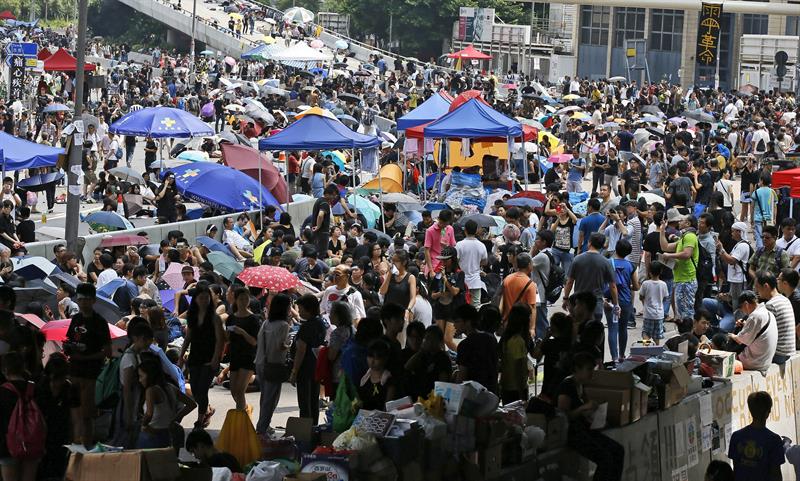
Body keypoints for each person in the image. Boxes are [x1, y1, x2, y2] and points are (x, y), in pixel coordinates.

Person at [556, 352, 624, 481]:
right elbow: (563, 416)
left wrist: (595, 415)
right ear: (577, 369)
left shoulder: (580, 386)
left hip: (584, 429)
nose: (591, 373)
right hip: (572, 433)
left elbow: (583, 411)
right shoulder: (567, 386)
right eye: (588, 370)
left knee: (618, 451)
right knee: (605, 459)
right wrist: (584, 408)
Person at [66, 283, 111, 448]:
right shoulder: (76, 319)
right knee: (72, 412)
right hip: (73, 370)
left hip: (91, 373)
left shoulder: (100, 322)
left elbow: (107, 351)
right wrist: (69, 348)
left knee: (87, 413)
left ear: (93, 300)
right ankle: (73, 444)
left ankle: (87, 446)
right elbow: (70, 339)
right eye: (80, 299)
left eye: (86, 299)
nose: (83, 302)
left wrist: (87, 357)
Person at [179, 283, 224, 430]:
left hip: (209, 358)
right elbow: (188, 337)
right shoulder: (192, 315)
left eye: (206, 298)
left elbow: (220, 340)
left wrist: (215, 359)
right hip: (195, 357)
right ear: (196, 299)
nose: (204, 300)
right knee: (195, 390)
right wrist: (181, 355)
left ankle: (200, 419)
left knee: (202, 390)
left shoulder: (215, 318)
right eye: (201, 297)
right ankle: (207, 410)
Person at [255, 293, 291, 437]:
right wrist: (289, 345)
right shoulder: (284, 325)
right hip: (274, 365)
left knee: (265, 397)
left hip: (260, 362)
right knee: (271, 399)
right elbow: (280, 347)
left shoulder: (266, 323)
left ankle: (264, 425)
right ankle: (262, 428)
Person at [0, 352, 41, 481]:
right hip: (32, 442)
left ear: (5, 369)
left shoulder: (2, 392)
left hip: (7, 446)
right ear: (23, 367)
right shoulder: (36, 389)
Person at [562, 233, 619, 323]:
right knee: (593, 333)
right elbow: (612, 286)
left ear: (589, 243)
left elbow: (569, 281)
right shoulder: (605, 262)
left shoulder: (577, 259)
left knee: (579, 331)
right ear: (602, 246)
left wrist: (565, 298)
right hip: (596, 303)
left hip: (579, 303)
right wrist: (616, 304)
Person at [728, 391, 784, 481]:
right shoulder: (774, 440)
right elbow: (776, 474)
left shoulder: (736, 437)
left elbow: (736, 468)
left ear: (750, 411)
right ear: (767, 412)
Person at [290, 294, 326, 425]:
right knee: (313, 401)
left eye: (301, 309)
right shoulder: (320, 323)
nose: (299, 312)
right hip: (316, 367)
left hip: (305, 368)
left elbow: (301, 350)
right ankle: (313, 428)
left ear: (309, 309)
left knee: (305, 403)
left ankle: (305, 432)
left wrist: (294, 371)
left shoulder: (307, 327)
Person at [659, 212, 699, 320]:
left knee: (686, 311)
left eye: (681, 220)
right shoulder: (683, 238)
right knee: (681, 310)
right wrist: (662, 230)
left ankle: (688, 334)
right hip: (680, 279)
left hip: (687, 280)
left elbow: (687, 254)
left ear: (688, 223)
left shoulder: (690, 236)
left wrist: (669, 256)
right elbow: (665, 247)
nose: (679, 222)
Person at [226, 287, 259, 413]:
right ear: (236, 300)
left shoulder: (254, 319)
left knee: (240, 390)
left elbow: (254, 341)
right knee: (234, 390)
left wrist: (242, 332)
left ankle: (241, 417)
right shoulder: (231, 318)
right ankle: (245, 409)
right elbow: (227, 339)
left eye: (246, 298)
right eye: (241, 299)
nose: (244, 301)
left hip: (248, 356)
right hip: (234, 355)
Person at [727, 290, 777, 374]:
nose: (742, 311)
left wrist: (731, 335)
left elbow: (740, 340)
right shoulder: (767, 313)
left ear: (746, 304)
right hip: (766, 361)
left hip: (755, 363)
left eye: (741, 307)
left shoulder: (755, 316)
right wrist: (745, 325)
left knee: (725, 343)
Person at [605, 239, 639, 359]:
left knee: (612, 328)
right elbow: (636, 286)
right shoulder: (631, 266)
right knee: (623, 328)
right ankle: (622, 355)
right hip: (625, 300)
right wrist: (627, 285)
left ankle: (614, 357)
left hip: (609, 300)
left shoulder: (608, 263)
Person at [453, 304, 498, 394]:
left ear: (468, 322)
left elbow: (462, 376)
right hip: (491, 392)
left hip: (473, 395)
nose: (454, 325)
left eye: (457, 321)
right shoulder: (491, 338)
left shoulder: (464, 345)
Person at [754, 271, 796, 365]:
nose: (756, 290)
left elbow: (760, 333)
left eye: (757, 286)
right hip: (788, 352)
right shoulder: (784, 299)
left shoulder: (771, 305)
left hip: (778, 354)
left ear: (765, 286)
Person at [404, 325, 452, 401]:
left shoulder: (442, 358)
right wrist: (421, 351)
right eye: (426, 338)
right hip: (419, 398)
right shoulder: (424, 354)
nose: (427, 341)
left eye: (431, 338)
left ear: (438, 341)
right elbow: (407, 367)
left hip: (433, 400)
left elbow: (443, 383)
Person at [500, 304, 532, 404]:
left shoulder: (506, 337)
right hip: (516, 388)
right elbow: (518, 367)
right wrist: (521, 391)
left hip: (506, 385)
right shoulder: (517, 341)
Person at [501, 252, 538, 335]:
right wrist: (532, 328)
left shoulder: (507, 279)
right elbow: (532, 308)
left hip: (507, 322)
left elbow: (502, 301)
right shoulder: (530, 284)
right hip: (522, 325)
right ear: (529, 265)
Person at [455, 219, 488, 307]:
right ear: (476, 230)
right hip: (475, 281)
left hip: (462, 282)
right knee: (476, 306)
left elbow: (455, 261)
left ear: (465, 230)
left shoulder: (459, 245)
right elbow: (484, 262)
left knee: (462, 306)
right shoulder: (481, 245)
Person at [380, 249, 417, 321]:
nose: (393, 263)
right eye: (392, 260)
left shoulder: (410, 277)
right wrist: (389, 274)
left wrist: (408, 310)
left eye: (396, 261)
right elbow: (382, 291)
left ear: (404, 262)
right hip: (387, 314)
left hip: (401, 315)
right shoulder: (390, 275)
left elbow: (413, 298)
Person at [357, 339, 395, 410]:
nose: (372, 361)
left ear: (385, 358)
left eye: (376, 358)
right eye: (370, 356)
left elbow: (387, 407)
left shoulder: (389, 381)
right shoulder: (363, 378)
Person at [639, 260, 670, 345]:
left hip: (648, 314)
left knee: (646, 333)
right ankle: (656, 351)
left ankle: (646, 349)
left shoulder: (645, 284)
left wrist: (644, 303)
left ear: (649, 272)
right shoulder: (663, 284)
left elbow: (641, 296)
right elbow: (665, 298)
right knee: (657, 336)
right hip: (659, 315)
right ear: (661, 271)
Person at [531, 230, 554, 339]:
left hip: (539, 292)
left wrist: (532, 250)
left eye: (537, 239)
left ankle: (543, 343)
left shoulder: (542, 256)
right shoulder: (550, 252)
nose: (535, 241)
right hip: (542, 291)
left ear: (544, 242)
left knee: (540, 321)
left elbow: (526, 264)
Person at [424, 209, 456, 278]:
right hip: (434, 265)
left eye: (445, 224)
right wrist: (431, 270)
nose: (442, 225)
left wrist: (447, 246)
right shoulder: (430, 231)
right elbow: (427, 251)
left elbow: (453, 246)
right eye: (441, 223)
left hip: (446, 266)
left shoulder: (450, 229)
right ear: (438, 219)